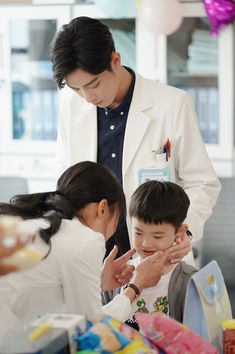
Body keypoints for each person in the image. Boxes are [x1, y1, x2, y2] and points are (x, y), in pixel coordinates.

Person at [49, 16, 221, 265]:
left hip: (159, 256)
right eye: (77, 88)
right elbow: (66, 176)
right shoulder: (70, 104)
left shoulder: (172, 104)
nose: (87, 97)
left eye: (93, 84)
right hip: (93, 261)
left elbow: (202, 182)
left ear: (115, 61)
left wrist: (185, 230)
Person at [0, 161, 167, 345]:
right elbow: (90, 330)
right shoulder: (86, 240)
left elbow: (51, 300)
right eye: (116, 221)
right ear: (103, 208)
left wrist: (99, 283)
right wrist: (136, 287)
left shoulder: (42, 222)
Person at [123, 180, 198, 330]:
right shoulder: (120, 274)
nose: (146, 244)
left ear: (180, 232)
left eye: (157, 236)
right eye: (138, 232)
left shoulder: (189, 281)